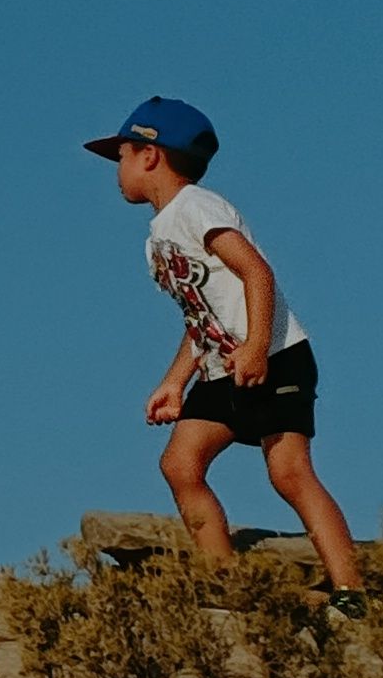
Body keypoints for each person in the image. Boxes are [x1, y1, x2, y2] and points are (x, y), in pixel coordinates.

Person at [82, 96, 365, 609]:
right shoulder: (157, 240)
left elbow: (257, 272)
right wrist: (175, 381)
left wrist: (257, 347)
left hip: (275, 355)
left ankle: (350, 593)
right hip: (221, 368)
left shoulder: (197, 207)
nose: (117, 170)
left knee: (289, 472)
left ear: (149, 155)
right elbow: (200, 319)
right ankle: (226, 582)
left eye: (121, 155)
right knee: (180, 464)